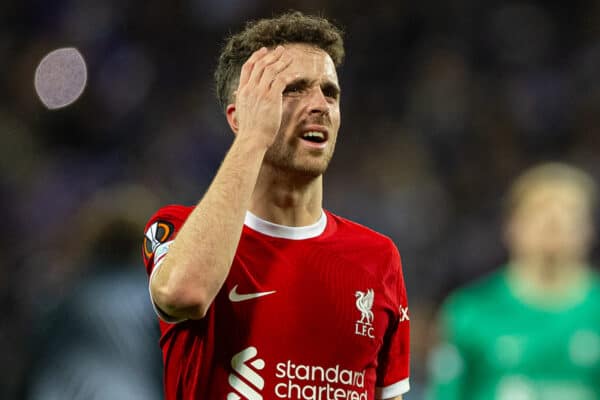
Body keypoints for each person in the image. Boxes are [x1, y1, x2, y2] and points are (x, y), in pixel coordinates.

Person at [141, 11, 410, 400]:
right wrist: (253, 137)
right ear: (240, 115)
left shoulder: (378, 257)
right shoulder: (177, 228)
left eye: (330, 92)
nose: (319, 104)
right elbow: (185, 293)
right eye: (293, 89)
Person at [427, 162, 600, 400]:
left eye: (569, 212)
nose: (554, 222)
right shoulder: (470, 312)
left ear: (589, 229)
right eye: (540, 210)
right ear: (511, 226)